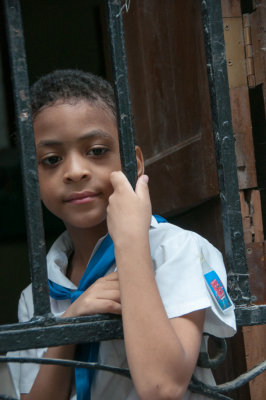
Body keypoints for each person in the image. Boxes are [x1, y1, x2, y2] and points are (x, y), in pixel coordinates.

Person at [8, 69, 236, 400]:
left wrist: (130, 242)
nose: (74, 172)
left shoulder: (174, 250)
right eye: (52, 159)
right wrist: (70, 323)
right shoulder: (38, 295)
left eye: (97, 151)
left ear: (136, 162)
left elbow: (163, 388)